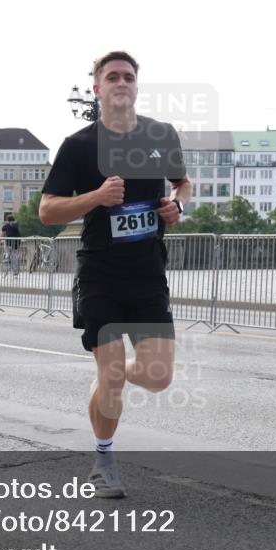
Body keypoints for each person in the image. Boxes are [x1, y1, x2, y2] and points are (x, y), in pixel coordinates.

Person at [39, 51, 192, 497]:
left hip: (147, 273)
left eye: (128, 76)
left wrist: (177, 205)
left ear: (136, 86)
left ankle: (111, 374)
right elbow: (47, 211)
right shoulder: (79, 145)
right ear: (97, 89)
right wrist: (96, 197)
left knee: (159, 377)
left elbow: (182, 183)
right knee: (110, 377)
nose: (121, 82)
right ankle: (103, 460)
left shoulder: (161, 135)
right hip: (100, 273)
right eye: (112, 77)